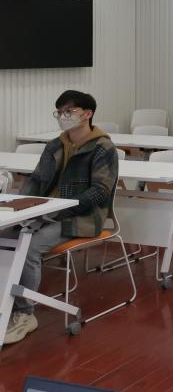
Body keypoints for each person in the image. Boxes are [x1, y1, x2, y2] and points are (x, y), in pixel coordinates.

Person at [2, 90, 118, 345]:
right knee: (4, 237)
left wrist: (61, 209)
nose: (63, 116)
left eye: (69, 111)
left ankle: (25, 313)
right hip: (45, 211)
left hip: (81, 216)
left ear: (87, 114)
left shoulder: (103, 147)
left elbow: (100, 191)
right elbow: (36, 181)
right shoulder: (55, 145)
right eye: (60, 112)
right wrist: (20, 207)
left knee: (29, 247)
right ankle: (5, 303)